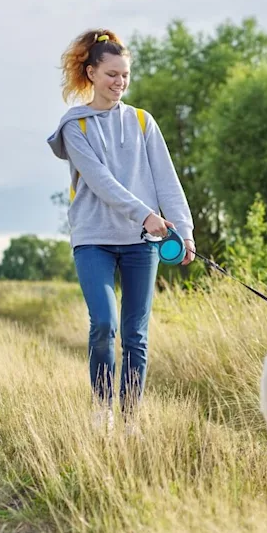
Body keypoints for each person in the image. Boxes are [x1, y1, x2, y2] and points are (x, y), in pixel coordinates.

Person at [47, 28, 196, 434]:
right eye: (112, 74)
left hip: (141, 244)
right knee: (103, 325)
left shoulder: (144, 121)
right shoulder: (75, 127)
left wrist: (183, 230)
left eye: (125, 75)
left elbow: (167, 180)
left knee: (135, 335)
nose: (120, 82)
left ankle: (129, 420)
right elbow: (100, 181)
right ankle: (102, 410)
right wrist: (146, 213)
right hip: (93, 238)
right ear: (91, 73)